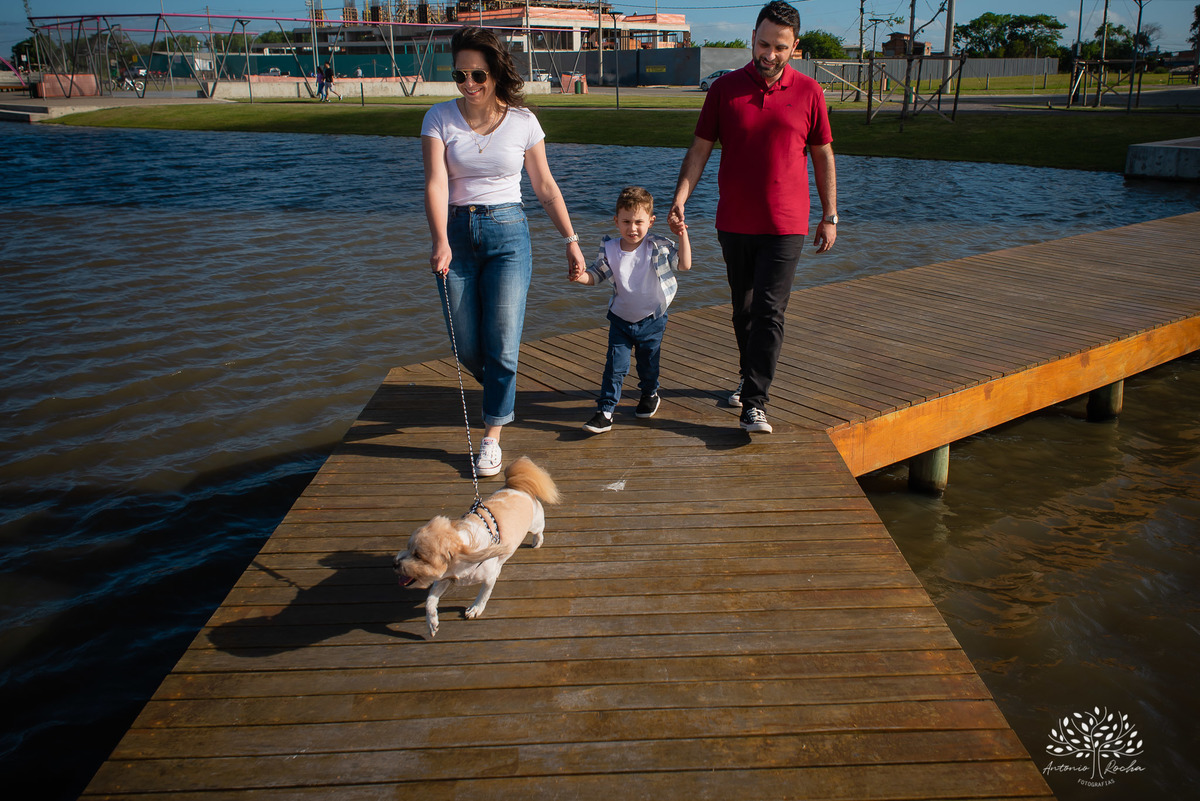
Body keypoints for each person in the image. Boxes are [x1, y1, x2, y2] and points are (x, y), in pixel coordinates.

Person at [422, 26, 586, 477]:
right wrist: (440, 240)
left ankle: (492, 435)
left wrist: (571, 241)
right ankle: (500, 387)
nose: (469, 85)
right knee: (467, 345)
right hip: (455, 232)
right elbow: (436, 183)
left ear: (494, 72)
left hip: (508, 232)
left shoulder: (523, 121)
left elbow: (546, 187)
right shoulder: (438, 118)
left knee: (503, 344)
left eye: (478, 75)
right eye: (460, 76)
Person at [669, 1, 837, 435]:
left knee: (768, 311)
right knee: (742, 310)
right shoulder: (724, 90)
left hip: (787, 224)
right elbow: (701, 148)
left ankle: (755, 402)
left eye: (780, 47)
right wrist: (681, 198)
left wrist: (829, 214)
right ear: (753, 40)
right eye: (763, 44)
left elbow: (822, 156)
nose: (770, 54)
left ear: (794, 47)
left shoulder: (809, 93)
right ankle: (748, 380)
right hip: (734, 222)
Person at [570, 186, 691, 434]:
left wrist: (682, 235)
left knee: (648, 365)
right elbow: (596, 276)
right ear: (616, 221)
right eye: (626, 221)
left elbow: (685, 265)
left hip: (652, 319)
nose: (632, 228)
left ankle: (650, 393)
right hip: (620, 320)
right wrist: (580, 276)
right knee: (615, 366)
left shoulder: (657, 246)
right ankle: (605, 412)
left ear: (651, 221)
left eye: (638, 221)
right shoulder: (610, 248)